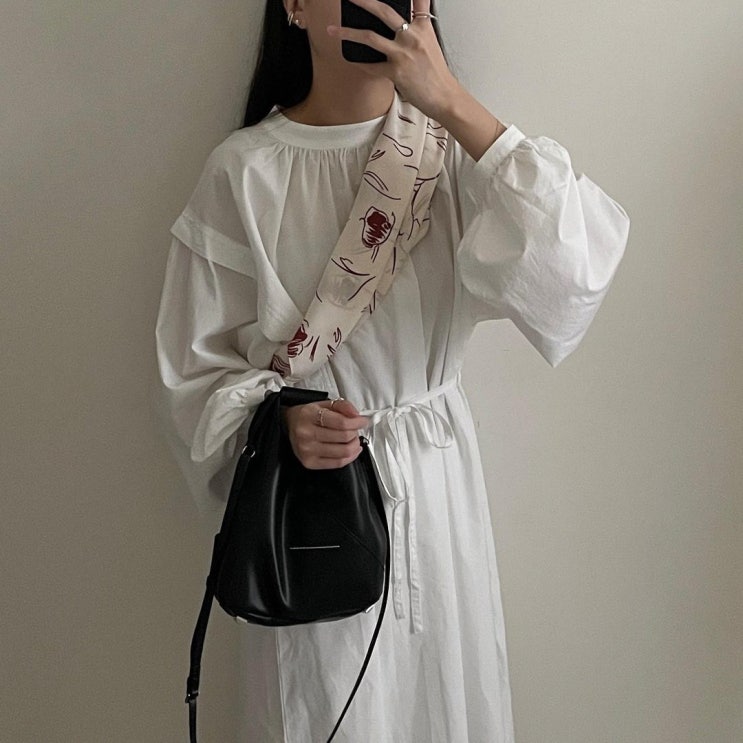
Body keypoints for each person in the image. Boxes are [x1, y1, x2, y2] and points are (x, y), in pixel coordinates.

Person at [154, 0, 630, 740]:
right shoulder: (245, 170)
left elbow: (572, 276)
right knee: (325, 713)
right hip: (312, 506)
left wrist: (453, 103)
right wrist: (276, 421)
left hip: (438, 497)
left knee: (445, 706)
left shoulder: (449, 154)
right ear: (294, 5)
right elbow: (189, 368)